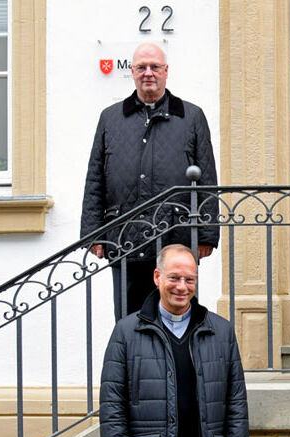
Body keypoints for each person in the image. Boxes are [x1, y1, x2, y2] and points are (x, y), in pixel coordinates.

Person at [99, 244, 249, 437]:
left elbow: (236, 405)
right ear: (157, 277)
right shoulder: (126, 332)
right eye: (174, 278)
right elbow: (113, 411)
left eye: (189, 279)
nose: (182, 286)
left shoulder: (220, 332)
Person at [81, 42, 220, 320]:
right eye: (141, 67)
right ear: (132, 72)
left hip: (177, 238)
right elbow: (96, 176)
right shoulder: (111, 119)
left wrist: (206, 234)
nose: (148, 73)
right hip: (125, 238)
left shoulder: (191, 116)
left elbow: (206, 178)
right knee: (130, 322)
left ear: (166, 71)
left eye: (154, 67)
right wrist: (94, 234)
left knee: (179, 317)